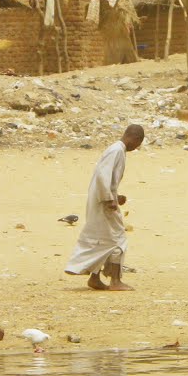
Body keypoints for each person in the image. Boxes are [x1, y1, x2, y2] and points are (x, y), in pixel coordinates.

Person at [65, 125, 145, 291]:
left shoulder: (116, 150)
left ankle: (95, 278)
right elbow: (103, 175)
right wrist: (109, 199)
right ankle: (115, 281)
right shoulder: (116, 151)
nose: (136, 147)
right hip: (103, 203)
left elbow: (107, 179)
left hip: (101, 200)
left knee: (103, 240)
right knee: (118, 238)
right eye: (138, 144)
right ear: (135, 139)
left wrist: (116, 196)